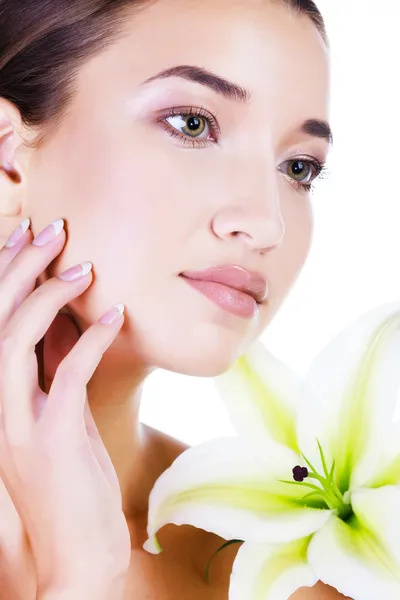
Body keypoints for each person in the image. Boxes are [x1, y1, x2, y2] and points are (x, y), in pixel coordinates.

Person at [0, 0, 349, 598]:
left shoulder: (292, 575)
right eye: (193, 123)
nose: (267, 224)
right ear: (8, 159)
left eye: (298, 167)